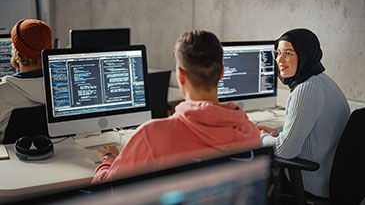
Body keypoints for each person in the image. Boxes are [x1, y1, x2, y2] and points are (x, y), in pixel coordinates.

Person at [92, 30, 261, 184]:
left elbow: (105, 188)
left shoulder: (152, 135)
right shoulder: (249, 131)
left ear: (180, 75)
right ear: (222, 73)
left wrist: (108, 159)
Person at [258, 28, 350, 198]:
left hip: (314, 181)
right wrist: (278, 132)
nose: (280, 60)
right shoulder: (322, 81)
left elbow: (286, 151)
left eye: (288, 53)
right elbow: (314, 131)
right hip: (333, 175)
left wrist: (261, 137)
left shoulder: (306, 90)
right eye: (277, 53)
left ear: (305, 54)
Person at [0, 19, 52, 142]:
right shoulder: (60, 88)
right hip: (55, 154)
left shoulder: (2, 92)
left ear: (17, 53)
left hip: (10, 159)